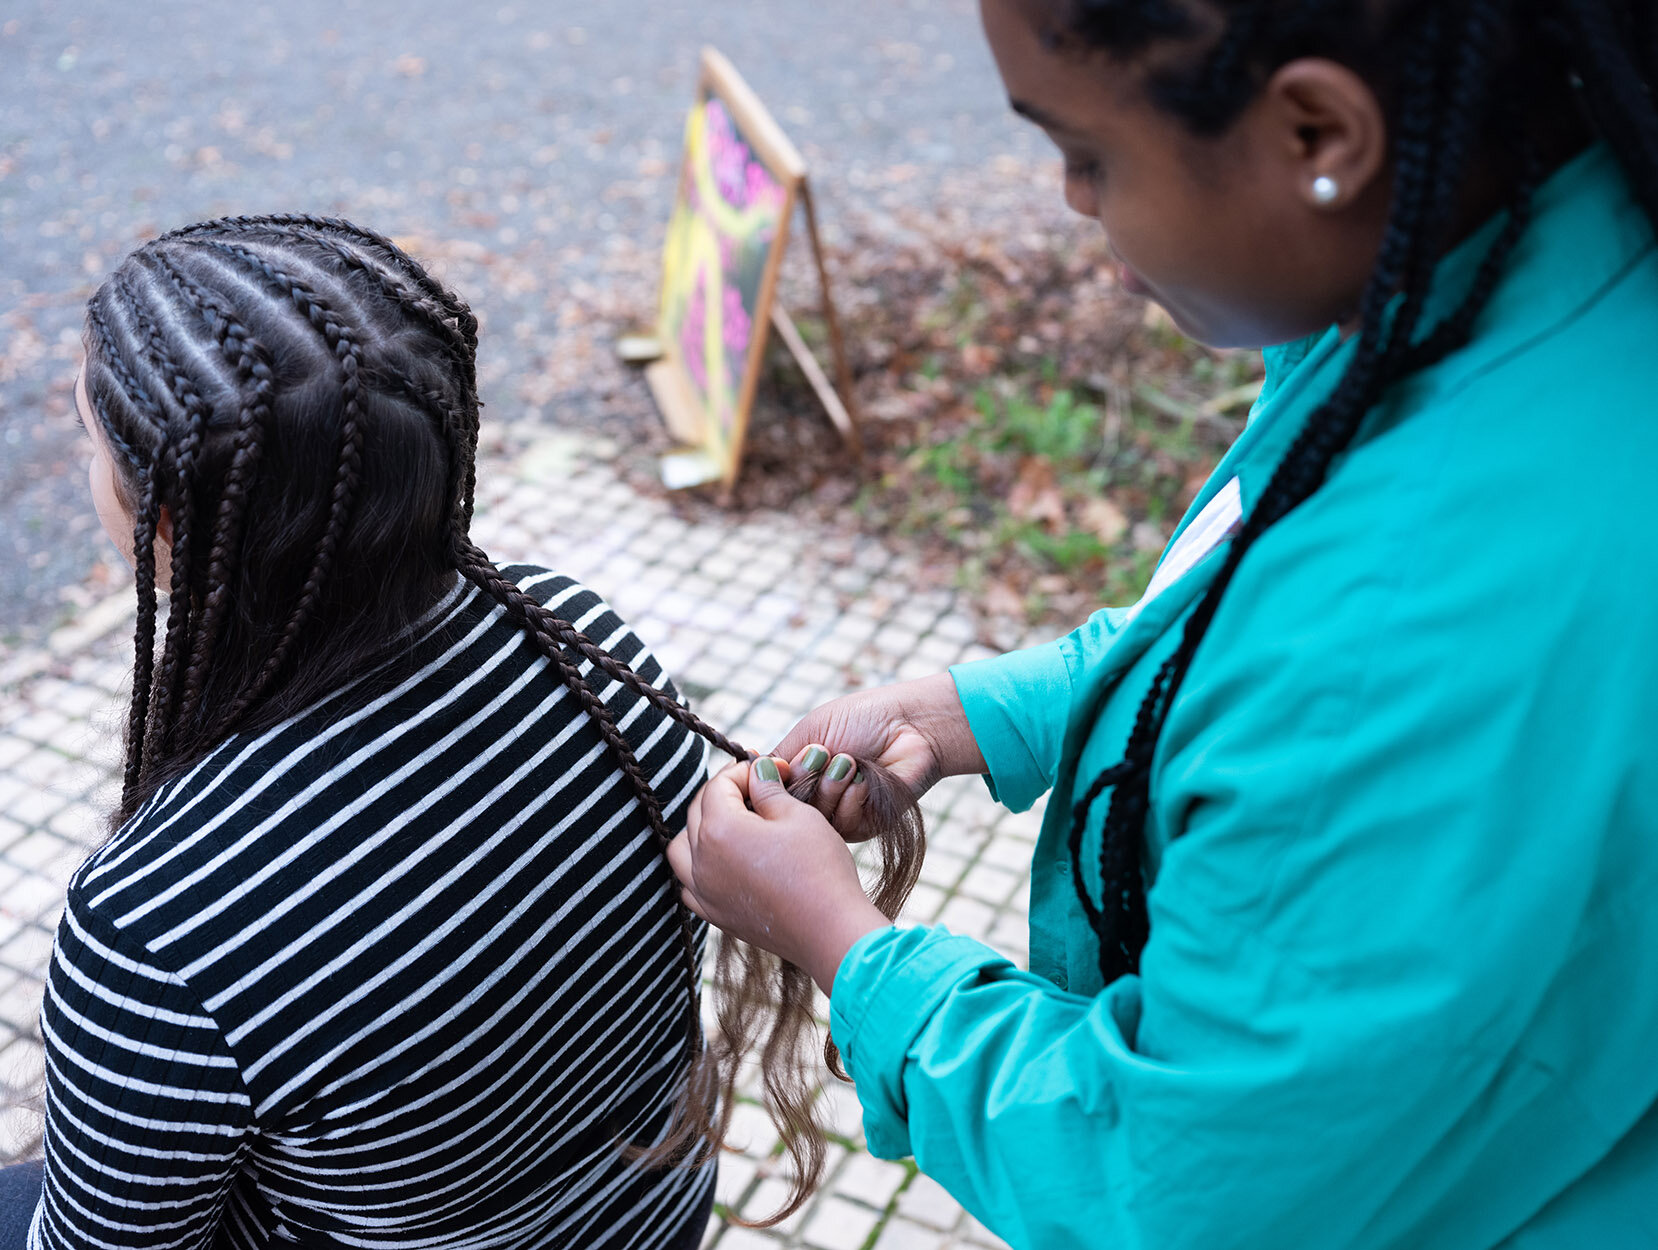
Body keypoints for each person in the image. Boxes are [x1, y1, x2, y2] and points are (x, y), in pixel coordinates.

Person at [667, 1, 1658, 1246]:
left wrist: (842, 943)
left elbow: (1178, 1184)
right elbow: (1236, 611)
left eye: (1087, 152)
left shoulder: (1392, 647)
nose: (1074, 203)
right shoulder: (1497, 264)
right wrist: (979, 711)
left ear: (1317, 130)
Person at [0, 215, 743, 1250]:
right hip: (643, 1214)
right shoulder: (588, 643)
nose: (87, 464)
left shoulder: (160, 923)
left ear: (164, 525)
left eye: (89, 442)